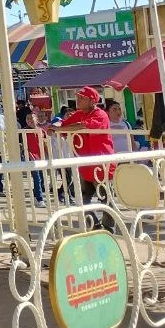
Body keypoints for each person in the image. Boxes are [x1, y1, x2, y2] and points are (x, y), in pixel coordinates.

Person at [47, 86, 115, 230]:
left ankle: (109, 229)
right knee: (83, 198)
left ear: (92, 101)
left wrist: (58, 129)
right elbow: (65, 124)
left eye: (82, 98)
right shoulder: (79, 113)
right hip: (85, 165)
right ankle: (95, 226)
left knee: (105, 198)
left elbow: (81, 126)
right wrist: (54, 126)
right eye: (78, 97)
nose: (78, 99)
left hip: (101, 164)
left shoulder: (100, 114)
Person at [24, 111, 46, 207]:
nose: (29, 120)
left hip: (40, 157)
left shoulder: (41, 130)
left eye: (31, 118)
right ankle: (39, 198)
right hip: (31, 157)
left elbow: (45, 143)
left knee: (41, 178)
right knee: (37, 178)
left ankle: (36, 195)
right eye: (27, 119)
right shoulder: (24, 131)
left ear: (36, 120)